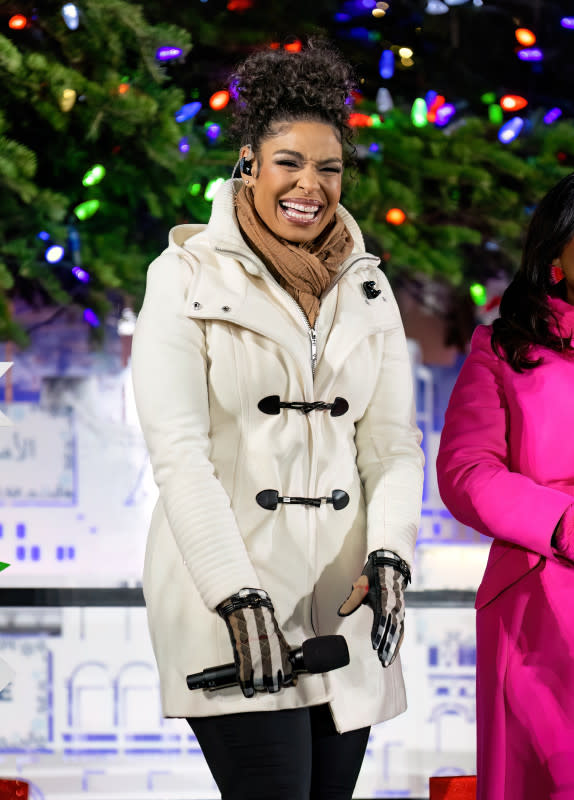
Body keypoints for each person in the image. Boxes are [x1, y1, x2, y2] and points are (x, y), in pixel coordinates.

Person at [131, 40, 424, 800]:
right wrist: (236, 594)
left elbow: (392, 445)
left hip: (344, 609)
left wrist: (391, 553)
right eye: (289, 162)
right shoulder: (184, 276)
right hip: (229, 603)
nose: (311, 186)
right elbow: (179, 455)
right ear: (249, 164)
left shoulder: (367, 285)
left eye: (329, 169)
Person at [437, 172, 574, 800]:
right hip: (540, 600)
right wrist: (561, 523)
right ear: (555, 258)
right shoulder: (503, 348)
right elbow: (467, 471)